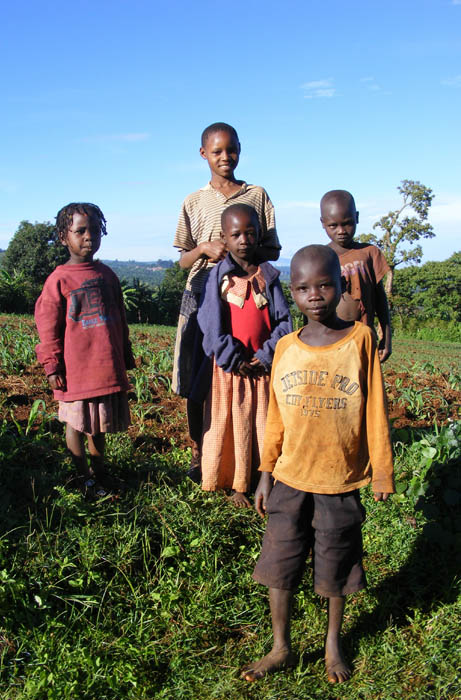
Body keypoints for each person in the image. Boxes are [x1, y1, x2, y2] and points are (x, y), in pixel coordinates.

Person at [241, 244, 394, 684]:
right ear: (292, 292)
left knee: (336, 565)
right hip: (290, 477)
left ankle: (332, 644)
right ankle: (281, 646)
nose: (314, 295)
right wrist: (266, 473)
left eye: (324, 285)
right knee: (280, 563)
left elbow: (375, 411)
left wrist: (381, 469)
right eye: (303, 288)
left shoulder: (360, 340)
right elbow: (275, 416)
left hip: (339, 478)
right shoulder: (286, 347)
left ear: (340, 285)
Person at [172, 122, 282, 480]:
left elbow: (273, 249)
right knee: (197, 377)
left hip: (248, 295)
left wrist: (238, 251)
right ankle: (199, 449)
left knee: (245, 374)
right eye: (216, 151)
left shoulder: (257, 195)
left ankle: (248, 453)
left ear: (240, 149)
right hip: (201, 293)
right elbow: (182, 259)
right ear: (203, 154)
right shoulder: (193, 200)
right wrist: (204, 249)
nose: (225, 157)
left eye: (230, 149)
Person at [35, 203, 135, 497]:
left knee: (99, 425)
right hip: (76, 370)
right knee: (76, 423)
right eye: (80, 231)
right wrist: (52, 366)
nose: (89, 237)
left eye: (94, 230)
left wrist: (125, 354)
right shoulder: (59, 280)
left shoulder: (107, 275)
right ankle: (83, 478)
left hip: (104, 367)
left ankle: (100, 472)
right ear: (64, 237)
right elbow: (47, 327)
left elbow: (120, 320)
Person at [196, 204, 292, 506]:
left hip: (262, 370)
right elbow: (209, 322)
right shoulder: (218, 278)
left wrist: (265, 356)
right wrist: (232, 356)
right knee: (233, 424)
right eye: (236, 234)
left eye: (250, 233)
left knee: (262, 425)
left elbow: (284, 322)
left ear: (259, 234)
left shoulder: (269, 276)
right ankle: (237, 484)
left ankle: (262, 479)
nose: (244, 240)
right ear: (224, 237)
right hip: (230, 371)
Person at [320, 189, 392, 362]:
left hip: (364, 341)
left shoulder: (369, 253)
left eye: (347, 223)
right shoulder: (321, 258)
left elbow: (380, 299)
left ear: (357, 217)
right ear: (323, 223)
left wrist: (387, 338)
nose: (341, 230)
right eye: (333, 225)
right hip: (331, 343)